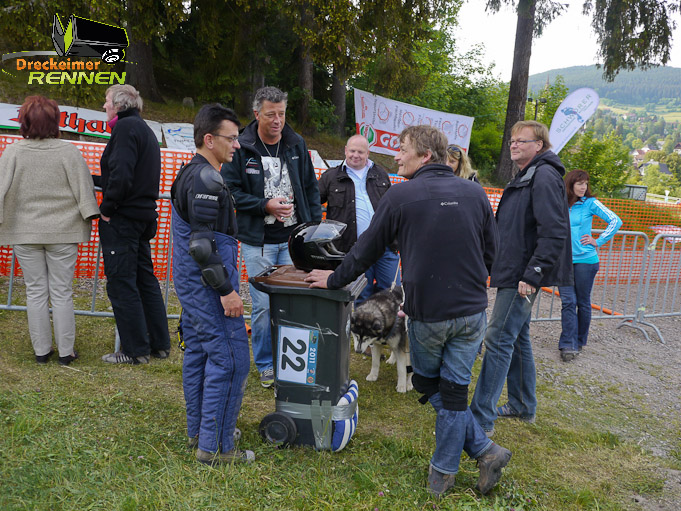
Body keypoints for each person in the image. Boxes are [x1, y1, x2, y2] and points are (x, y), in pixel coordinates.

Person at [305, 125, 511, 497]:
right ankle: (482, 451)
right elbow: (492, 254)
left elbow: (366, 249)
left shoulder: (401, 195)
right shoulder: (475, 193)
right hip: (472, 312)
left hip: (431, 314)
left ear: (425, 155)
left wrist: (334, 279)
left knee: (433, 386)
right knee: (453, 391)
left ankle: (445, 473)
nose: (396, 156)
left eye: (402, 149)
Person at [470, 120, 573, 436]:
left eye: (521, 140)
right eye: (512, 140)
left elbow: (553, 231)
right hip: (514, 270)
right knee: (517, 337)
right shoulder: (528, 174)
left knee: (498, 337)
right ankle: (522, 404)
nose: (513, 144)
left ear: (539, 145)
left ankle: (480, 418)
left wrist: (533, 274)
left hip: (522, 276)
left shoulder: (543, 176)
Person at [221, 86, 322, 388]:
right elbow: (230, 191)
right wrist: (264, 205)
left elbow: (310, 187)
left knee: (295, 305)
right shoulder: (242, 146)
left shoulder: (296, 143)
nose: (277, 120)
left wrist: (313, 229)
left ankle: (291, 363)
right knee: (264, 306)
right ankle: (266, 364)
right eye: (270, 114)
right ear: (257, 114)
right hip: (258, 241)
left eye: (281, 114)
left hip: (294, 241)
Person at [170, 103, 254, 466]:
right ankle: (216, 447)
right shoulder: (205, 178)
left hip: (193, 282)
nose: (236, 145)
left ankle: (201, 432)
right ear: (209, 139)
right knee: (231, 360)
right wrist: (227, 292)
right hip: (206, 284)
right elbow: (202, 247)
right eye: (230, 138)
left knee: (201, 354)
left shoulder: (190, 172)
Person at [0, 95, 99, 366]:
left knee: (35, 291)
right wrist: (91, 215)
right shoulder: (68, 152)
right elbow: (84, 190)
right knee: (62, 292)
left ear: (24, 122)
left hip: (24, 233)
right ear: (55, 121)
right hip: (64, 232)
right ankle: (66, 353)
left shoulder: (12, 152)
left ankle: (42, 352)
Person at [97, 84, 171, 365]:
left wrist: (107, 209)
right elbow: (126, 173)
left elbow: (122, 175)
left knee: (122, 283)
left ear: (118, 105)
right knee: (144, 279)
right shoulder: (143, 129)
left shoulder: (125, 129)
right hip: (141, 217)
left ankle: (134, 350)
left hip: (124, 218)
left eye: (107, 101)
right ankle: (159, 344)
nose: (104, 106)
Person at [317, 134, 400, 304]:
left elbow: (392, 207)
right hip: (354, 248)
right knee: (361, 293)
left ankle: (388, 322)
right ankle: (363, 322)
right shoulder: (331, 176)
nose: (356, 155)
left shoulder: (380, 174)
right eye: (352, 151)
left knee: (392, 291)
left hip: (385, 245)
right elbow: (313, 202)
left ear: (368, 153)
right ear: (345, 150)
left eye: (360, 152)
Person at [558, 169, 622, 362]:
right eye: (579, 183)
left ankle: (579, 341)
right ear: (570, 184)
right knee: (568, 302)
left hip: (586, 261)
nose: (583, 187)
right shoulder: (560, 202)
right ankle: (567, 344)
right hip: (563, 261)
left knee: (582, 302)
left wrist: (598, 241)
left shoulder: (590, 203)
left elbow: (615, 221)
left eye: (585, 183)